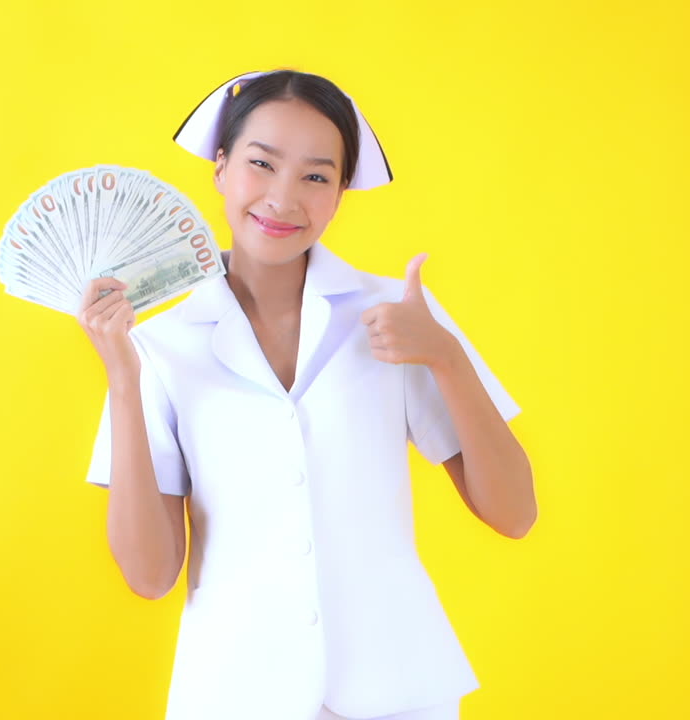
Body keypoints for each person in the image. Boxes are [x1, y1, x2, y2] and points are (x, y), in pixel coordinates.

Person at [78, 69, 536, 720]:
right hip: (236, 692)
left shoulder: (396, 312)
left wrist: (446, 355)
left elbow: (515, 514)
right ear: (220, 168)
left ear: (342, 190)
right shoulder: (160, 346)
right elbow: (151, 577)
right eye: (261, 164)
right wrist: (124, 379)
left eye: (317, 176)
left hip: (396, 691)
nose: (283, 199)